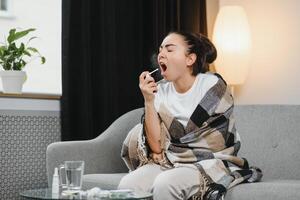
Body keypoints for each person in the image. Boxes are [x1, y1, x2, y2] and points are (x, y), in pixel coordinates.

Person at [118, 31, 262, 200]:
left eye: (170, 49)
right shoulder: (159, 91)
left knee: (166, 183)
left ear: (190, 59)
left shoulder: (212, 86)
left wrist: (174, 149)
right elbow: (157, 148)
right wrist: (149, 101)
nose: (161, 54)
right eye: (161, 50)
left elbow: (213, 142)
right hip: (170, 161)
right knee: (127, 186)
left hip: (209, 161)